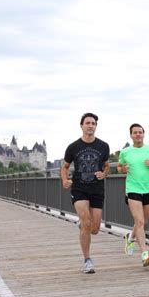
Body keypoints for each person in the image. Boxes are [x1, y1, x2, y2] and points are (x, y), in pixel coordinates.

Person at [60, 113, 110, 273]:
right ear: (81, 125)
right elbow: (64, 167)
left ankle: (83, 225)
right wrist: (64, 180)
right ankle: (87, 260)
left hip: (97, 189)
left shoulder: (104, 146)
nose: (90, 125)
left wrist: (104, 173)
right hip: (79, 188)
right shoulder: (73, 147)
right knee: (86, 222)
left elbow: (107, 165)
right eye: (87, 123)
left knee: (94, 229)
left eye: (93, 123)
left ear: (96, 126)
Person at [117, 123, 149, 267]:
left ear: (143, 134)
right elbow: (119, 168)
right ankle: (145, 254)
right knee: (139, 221)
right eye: (135, 132)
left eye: (140, 132)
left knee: (144, 222)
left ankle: (130, 237)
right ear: (131, 135)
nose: (138, 134)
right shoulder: (125, 152)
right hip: (133, 189)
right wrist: (123, 169)